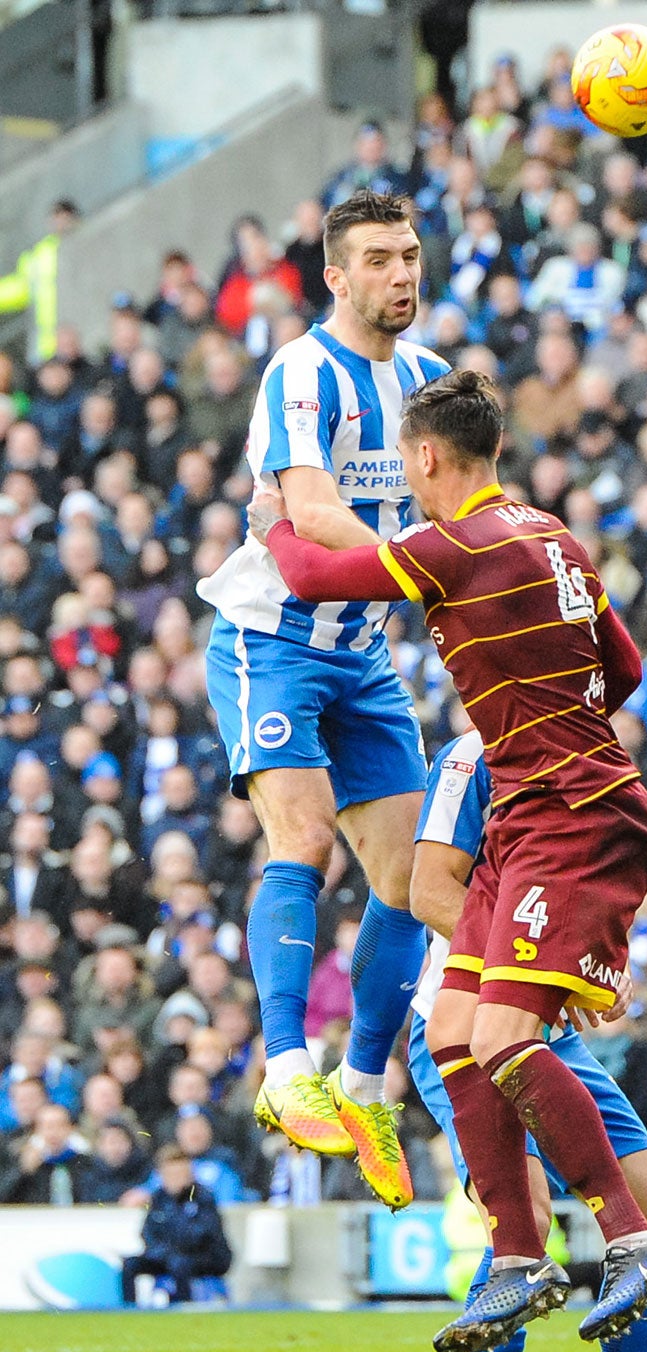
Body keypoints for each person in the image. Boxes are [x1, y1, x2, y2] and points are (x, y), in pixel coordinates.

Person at [259, 369, 647, 1352]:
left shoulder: (456, 544)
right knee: (451, 1032)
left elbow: (313, 579)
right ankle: (515, 1258)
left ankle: (627, 1237)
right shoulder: (549, 535)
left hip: (572, 816)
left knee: (499, 1037)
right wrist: (544, 711)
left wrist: (275, 516)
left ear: (424, 458)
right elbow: (620, 668)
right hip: (543, 807)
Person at [194, 191, 442, 1210]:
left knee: (412, 883)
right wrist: (425, 560)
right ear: (337, 276)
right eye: (379, 259)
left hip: (366, 656)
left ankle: (361, 1083)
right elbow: (308, 512)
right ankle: (286, 1069)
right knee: (303, 845)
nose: (401, 275)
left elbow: (459, 509)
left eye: (411, 256)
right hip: (273, 640)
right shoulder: (303, 369)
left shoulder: (428, 381)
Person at [403, 731, 647, 1352]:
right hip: (464, 1021)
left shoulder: (586, 757)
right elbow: (429, 889)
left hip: (547, 1031)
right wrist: (542, 965)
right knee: (527, 1213)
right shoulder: (471, 756)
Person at [119, 1147, 232, 1304]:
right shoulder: (159, 1198)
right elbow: (148, 1232)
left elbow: (203, 1234)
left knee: (179, 1264)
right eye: (171, 1175)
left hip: (205, 1257)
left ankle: (183, 1306)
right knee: (130, 1264)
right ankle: (129, 1308)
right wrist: (162, 1251)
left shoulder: (203, 1197)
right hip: (167, 1255)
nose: (176, 1179)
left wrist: (174, 1248)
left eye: (181, 1174)